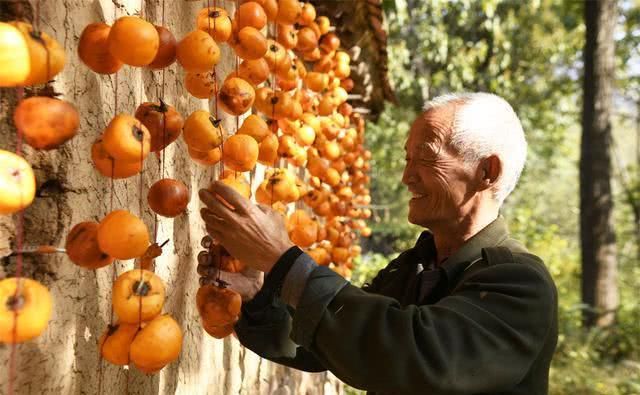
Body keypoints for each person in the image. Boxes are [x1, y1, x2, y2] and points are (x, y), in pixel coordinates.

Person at [198, 92, 558, 395]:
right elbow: (331, 343)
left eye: (427, 156)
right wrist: (258, 294)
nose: (406, 177)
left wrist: (283, 260)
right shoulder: (414, 267)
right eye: (407, 158)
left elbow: (417, 357)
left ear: (487, 172)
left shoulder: (519, 283)